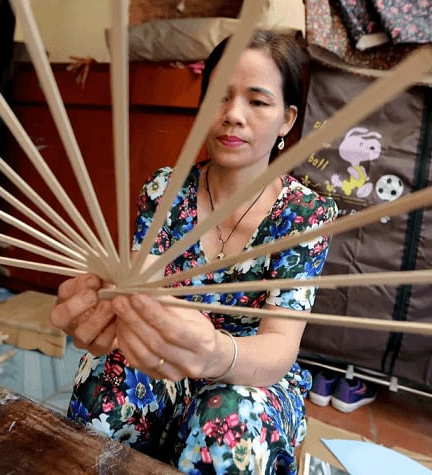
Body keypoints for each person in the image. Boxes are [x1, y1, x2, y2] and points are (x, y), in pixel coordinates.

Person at [50, 29, 337, 474]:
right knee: (108, 373)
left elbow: (280, 348)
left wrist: (215, 353)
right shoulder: (165, 190)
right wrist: (110, 305)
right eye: (219, 97)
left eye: (257, 101)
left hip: (249, 377)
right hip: (165, 359)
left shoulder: (305, 215)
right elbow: (142, 291)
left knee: (229, 418)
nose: (233, 115)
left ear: (286, 119)